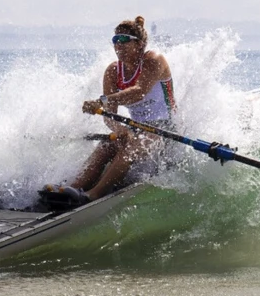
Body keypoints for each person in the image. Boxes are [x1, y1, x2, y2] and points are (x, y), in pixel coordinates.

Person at [42, 15, 175, 205]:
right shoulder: (113, 71)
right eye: (115, 40)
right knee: (105, 146)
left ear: (139, 44)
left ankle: (93, 194)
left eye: (123, 41)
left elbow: (139, 92)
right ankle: (71, 188)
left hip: (165, 129)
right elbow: (110, 115)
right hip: (137, 128)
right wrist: (118, 128)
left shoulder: (154, 60)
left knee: (129, 147)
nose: (118, 45)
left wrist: (102, 101)